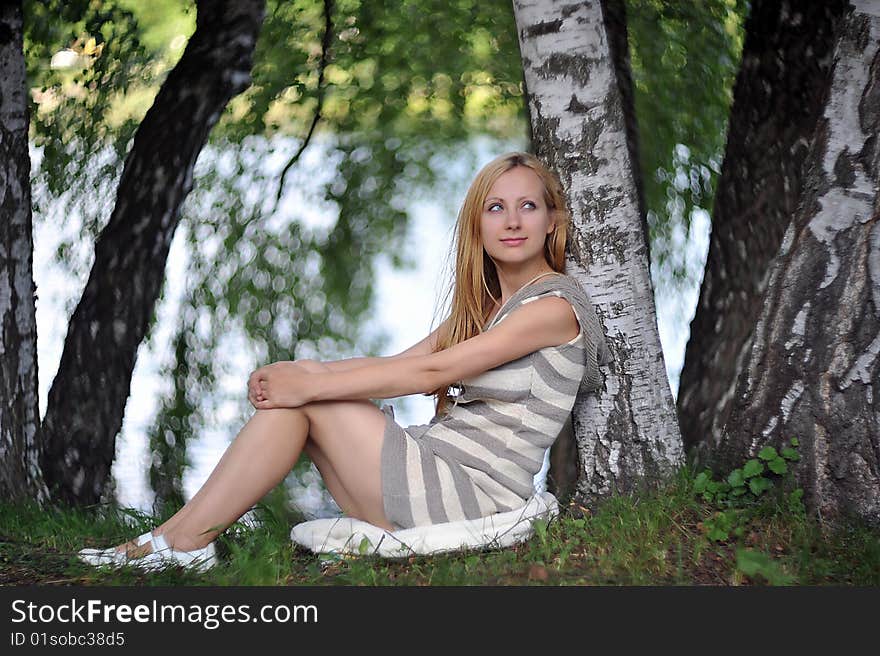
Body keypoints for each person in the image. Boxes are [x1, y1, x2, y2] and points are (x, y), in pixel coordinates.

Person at [78, 151, 611, 571]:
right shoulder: (488, 307)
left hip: (469, 497)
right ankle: (174, 540)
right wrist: (309, 374)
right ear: (478, 224)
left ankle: (180, 542)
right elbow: (398, 363)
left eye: (528, 206)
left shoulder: (553, 308)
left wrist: (309, 381)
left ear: (552, 221)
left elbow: (426, 375)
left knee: (313, 402)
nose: (512, 221)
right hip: (437, 477)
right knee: (306, 402)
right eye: (496, 207)